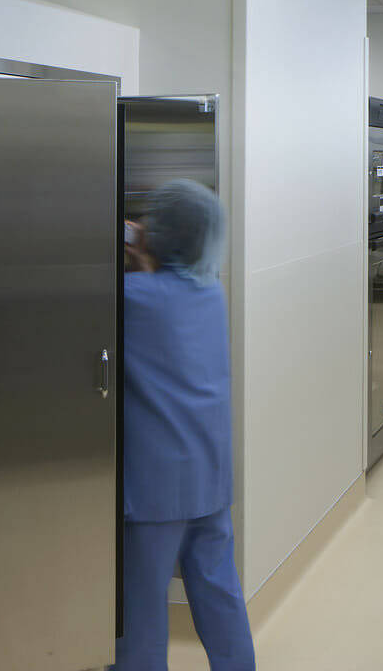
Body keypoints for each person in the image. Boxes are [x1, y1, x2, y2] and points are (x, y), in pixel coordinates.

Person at [115, 180, 255, 671]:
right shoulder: (209, 291)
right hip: (209, 478)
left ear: (166, 234)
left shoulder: (133, 295)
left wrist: (132, 248)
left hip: (156, 491)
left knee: (141, 611)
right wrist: (145, 251)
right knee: (220, 596)